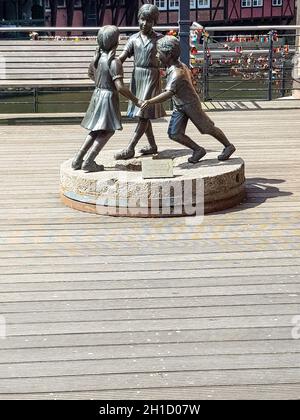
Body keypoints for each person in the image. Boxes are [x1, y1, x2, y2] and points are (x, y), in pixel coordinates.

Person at [141, 36, 236, 164]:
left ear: (168, 54)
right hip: (180, 105)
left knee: (207, 128)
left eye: (159, 53)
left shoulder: (177, 73)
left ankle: (228, 146)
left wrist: (150, 101)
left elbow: (169, 93)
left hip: (191, 104)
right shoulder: (175, 67)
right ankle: (198, 150)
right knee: (174, 133)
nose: (157, 55)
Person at [72, 26, 141, 172]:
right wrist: (136, 100)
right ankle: (89, 161)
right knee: (108, 130)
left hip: (97, 95)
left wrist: (101, 83)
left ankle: (78, 159)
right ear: (115, 42)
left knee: (96, 129)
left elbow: (91, 74)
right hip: (108, 98)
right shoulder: (114, 62)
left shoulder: (96, 59)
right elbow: (120, 87)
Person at [114, 4, 166, 160]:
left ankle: (130, 148)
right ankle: (152, 145)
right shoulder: (134, 39)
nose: (145, 23)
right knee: (143, 114)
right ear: (138, 19)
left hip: (152, 77)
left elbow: (168, 58)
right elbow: (122, 57)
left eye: (149, 21)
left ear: (154, 22)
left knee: (144, 112)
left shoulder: (159, 39)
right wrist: (109, 64)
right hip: (137, 77)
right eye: (142, 19)